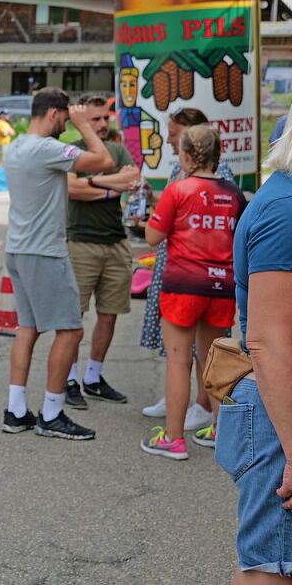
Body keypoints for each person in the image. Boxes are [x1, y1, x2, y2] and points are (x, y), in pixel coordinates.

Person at [1, 88, 113, 440]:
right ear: (53, 114)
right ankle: (52, 412)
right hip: (45, 251)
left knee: (28, 327)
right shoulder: (45, 148)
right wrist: (86, 126)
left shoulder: (16, 146)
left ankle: (16, 409)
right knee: (71, 329)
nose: (68, 122)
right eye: (66, 117)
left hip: (18, 248)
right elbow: (104, 160)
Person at [140, 125, 246, 460]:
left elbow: (153, 237)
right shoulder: (233, 194)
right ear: (219, 154)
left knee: (179, 362)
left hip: (183, 286)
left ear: (186, 156)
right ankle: (219, 431)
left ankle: (172, 438)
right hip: (221, 286)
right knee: (213, 360)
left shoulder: (178, 189)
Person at [220, 107, 292, 583]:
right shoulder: (284, 209)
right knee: (272, 564)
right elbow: (266, 340)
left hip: (275, 409)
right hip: (275, 412)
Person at [64, 95, 142, 409]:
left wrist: (92, 182)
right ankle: (67, 379)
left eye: (105, 118)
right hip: (80, 242)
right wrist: (112, 185)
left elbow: (133, 179)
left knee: (109, 315)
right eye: (94, 119)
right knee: (73, 318)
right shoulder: (71, 150)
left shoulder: (118, 148)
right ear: (82, 121)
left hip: (116, 242)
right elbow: (72, 190)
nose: (102, 124)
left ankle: (93, 377)